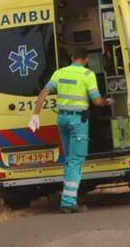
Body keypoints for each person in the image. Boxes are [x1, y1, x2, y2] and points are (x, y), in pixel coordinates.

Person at [31, 48, 113, 213]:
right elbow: (96, 101)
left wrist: (35, 115)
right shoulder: (87, 75)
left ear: (72, 58)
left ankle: (68, 198)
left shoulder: (59, 73)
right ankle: (68, 202)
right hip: (78, 121)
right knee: (76, 160)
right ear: (86, 60)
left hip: (62, 119)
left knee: (69, 160)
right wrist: (107, 101)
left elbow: (44, 92)